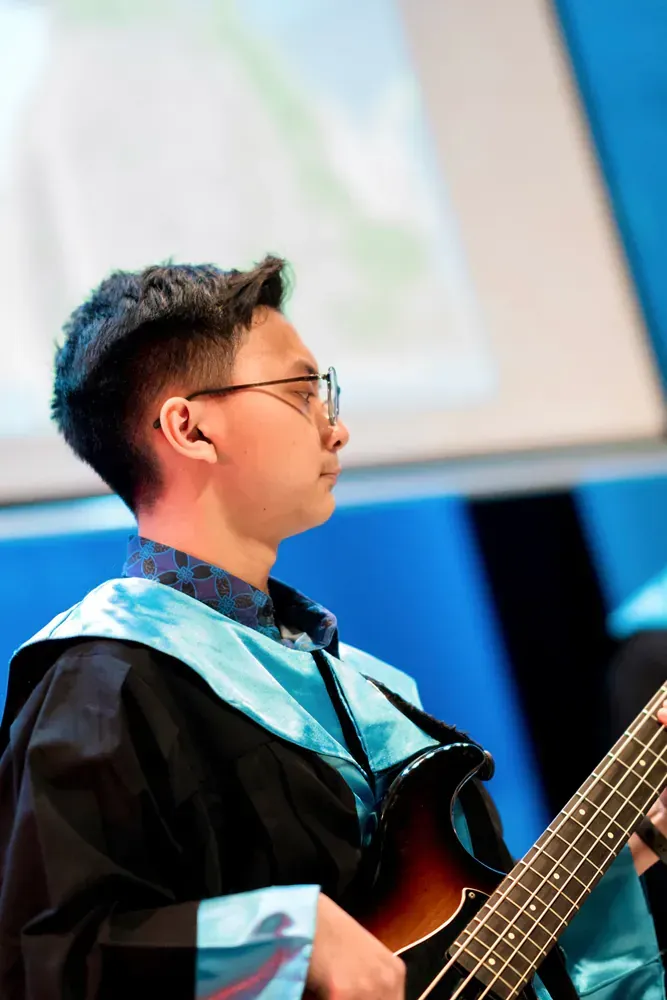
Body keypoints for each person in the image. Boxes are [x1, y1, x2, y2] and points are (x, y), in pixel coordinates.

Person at [0, 256, 665, 1000]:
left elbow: (460, 969)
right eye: (299, 393)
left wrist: (629, 844)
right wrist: (278, 945)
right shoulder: (105, 679)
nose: (337, 429)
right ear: (190, 428)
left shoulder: (362, 688)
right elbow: (47, 964)